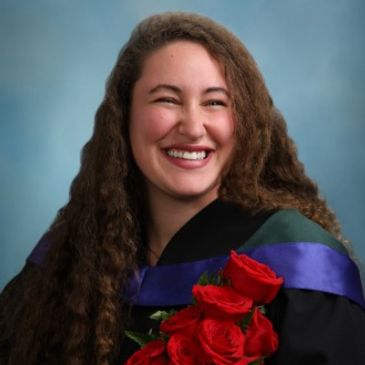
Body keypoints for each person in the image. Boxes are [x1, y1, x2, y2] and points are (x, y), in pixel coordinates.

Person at [0, 11, 364, 365]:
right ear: (123, 117)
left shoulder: (305, 266)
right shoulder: (69, 260)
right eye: (167, 99)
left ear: (246, 122)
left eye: (215, 102)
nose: (192, 127)